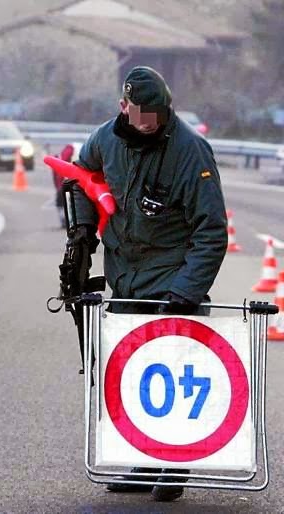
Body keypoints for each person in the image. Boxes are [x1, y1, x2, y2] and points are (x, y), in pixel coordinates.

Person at [71, 66, 228, 501]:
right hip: (125, 275)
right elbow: (81, 179)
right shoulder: (105, 139)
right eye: (144, 115)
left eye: (159, 114)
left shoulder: (190, 151)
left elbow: (211, 230)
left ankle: (175, 464)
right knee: (135, 376)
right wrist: (83, 231)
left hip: (170, 276)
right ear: (124, 107)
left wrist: (186, 293)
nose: (152, 123)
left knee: (173, 375)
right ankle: (144, 459)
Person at [53, 143, 74, 228]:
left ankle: (64, 219)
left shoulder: (58, 157)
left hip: (64, 185)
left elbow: (55, 178)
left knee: (60, 199)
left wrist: (58, 188)